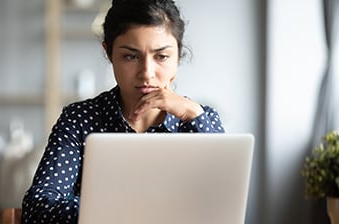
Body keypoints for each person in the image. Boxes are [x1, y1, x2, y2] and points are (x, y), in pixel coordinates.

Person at [21, 0, 225, 223]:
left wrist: (193, 114)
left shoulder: (200, 119)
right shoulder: (79, 120)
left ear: (178, 55)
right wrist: (135, 208)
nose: (147, 73)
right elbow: (38, 208)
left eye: (162, 56)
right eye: (131, 56)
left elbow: (224, 204)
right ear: (109, 53)